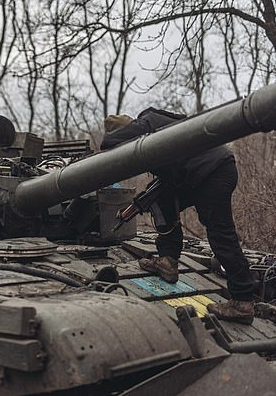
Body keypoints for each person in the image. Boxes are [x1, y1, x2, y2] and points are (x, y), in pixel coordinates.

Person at [102, 108, 256, 324]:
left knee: (221, 234)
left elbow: (112, 140)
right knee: (160, 198)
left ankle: (242, 301)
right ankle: (168, 260)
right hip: (201, 172)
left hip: (212, 173)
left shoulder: (148, 123)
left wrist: (106, 148)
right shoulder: (159, 129)